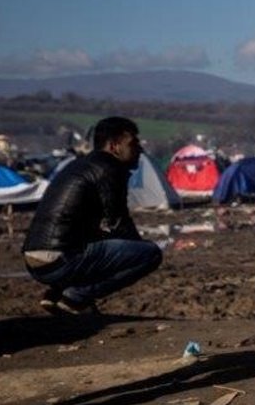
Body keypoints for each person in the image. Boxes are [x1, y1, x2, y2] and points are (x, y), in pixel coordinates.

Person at [23, 116, 163, 314]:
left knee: (101, 244)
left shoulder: (80, 164)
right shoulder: (110, 169)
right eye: (133, 143)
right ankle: (76, 297)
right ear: (114, 146)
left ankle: (57, 293)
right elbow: (118, 222)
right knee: (150, 254)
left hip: (34, 259)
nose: (139, 149)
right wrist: (138, 249)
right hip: (59, 259)